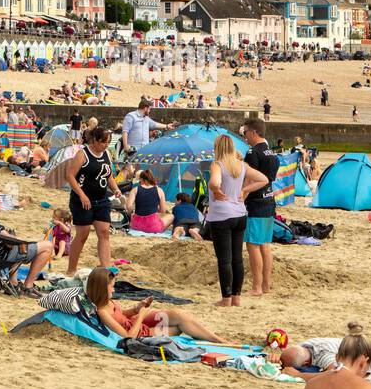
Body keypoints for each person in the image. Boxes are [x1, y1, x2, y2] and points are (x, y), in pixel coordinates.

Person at [86, 266, 224, 343]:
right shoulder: (102, 311)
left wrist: (136, 309)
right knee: (177, 329)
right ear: (102, 288)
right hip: (140, 332)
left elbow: (120, 315)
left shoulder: (107, 301)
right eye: (112, 287)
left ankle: (219, 340)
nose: (114, 289)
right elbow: (127, 337)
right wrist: (141, 316)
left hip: (135, 321)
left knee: (178, 314)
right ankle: (218, 341)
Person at [207, 133, 268, 307]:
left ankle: (226, 299)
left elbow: (215, 181)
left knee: (224, 260)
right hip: (240, 215)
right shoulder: (241, 165)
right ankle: (236, 298)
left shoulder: (217, 164)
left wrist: (215, 188)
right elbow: (263, 179)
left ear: (218, 148)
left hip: (221, 216)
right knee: (237, 259)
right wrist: (245, 190)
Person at [63, 126, 121, 274]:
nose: (106, 145)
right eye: (104, 142)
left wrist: (115, 189)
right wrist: (82, 195)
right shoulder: (83, 154)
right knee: (83, 235)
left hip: (101, 200)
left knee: (104, 232)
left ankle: (106, 268)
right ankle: (71, 269)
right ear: (95, 140)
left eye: (108, 142)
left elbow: (108, 176)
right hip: (82, 200)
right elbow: (70, 176)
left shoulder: (106, 154)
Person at [242, 118, 279, 296]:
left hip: (256, 202)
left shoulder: (252, 153)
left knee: (253, 244)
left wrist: (241, 197)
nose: (245, 136)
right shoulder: (272, 154)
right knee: (265, 244)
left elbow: (250, 179)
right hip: (269, 200)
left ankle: (256, 287)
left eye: (246, 133)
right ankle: (266, 285)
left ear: (254, 132)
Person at [125, 169, 169, 233]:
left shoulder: (135, 190)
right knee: (171, 216)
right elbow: (163, 210)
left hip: (136, 225)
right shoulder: (160, 190)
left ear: (141, 179)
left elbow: (128, 207)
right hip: (153, 226)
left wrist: (132, 214)